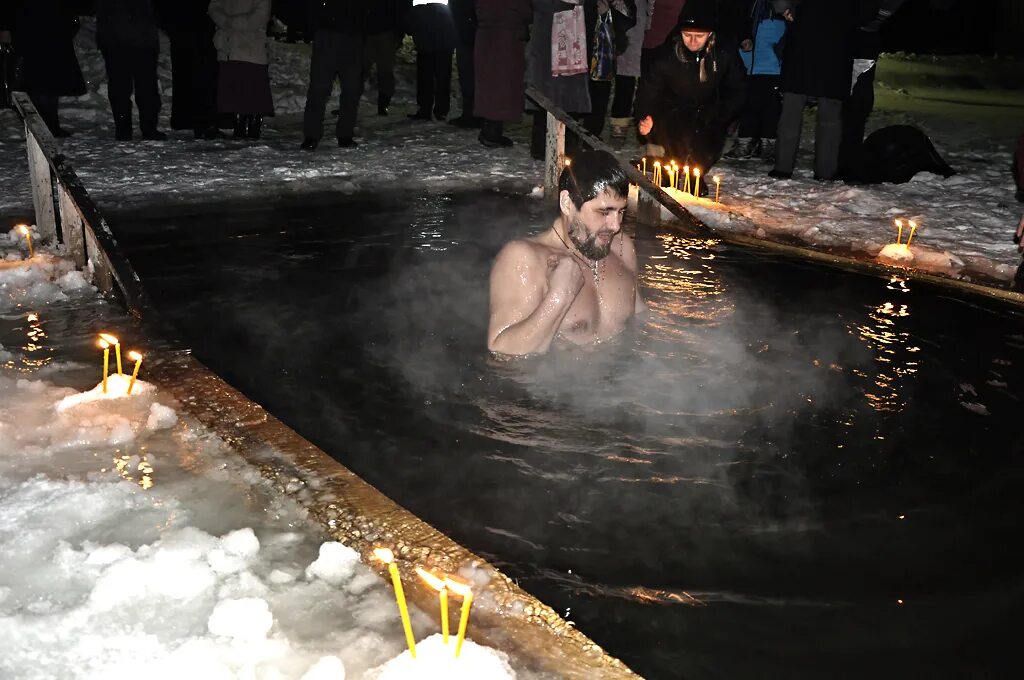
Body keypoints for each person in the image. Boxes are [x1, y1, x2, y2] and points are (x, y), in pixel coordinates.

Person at [487, 150, 644, 356]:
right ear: (567, 203)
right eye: (604, 212)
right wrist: (559, 296)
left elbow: (641, 318)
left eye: (620, 212)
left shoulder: (622, 248)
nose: (615, 225)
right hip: (554, 386)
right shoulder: (525, 258)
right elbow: (501, 350)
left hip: (624, 382)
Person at [634, 0, 747, 181]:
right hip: (674, 111)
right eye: (687, 35)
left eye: (699, 36)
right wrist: (644, 117)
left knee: (706, 142)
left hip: (710, 111)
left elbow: (738, 89)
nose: (693, 41)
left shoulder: (724, 53)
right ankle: (669, 166)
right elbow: (648, 92)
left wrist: (721, 114)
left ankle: (694, 175)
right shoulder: (665, 56)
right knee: (674, 133)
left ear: (710, 34)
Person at [770, 0, 859, 181]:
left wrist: (783, 8)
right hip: (832, 39)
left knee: (795, 109)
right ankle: (824, 170)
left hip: (812, 36)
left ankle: (784, 167)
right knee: (824, 111)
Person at [837, 0, 907, 178]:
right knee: (841, 97)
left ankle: (847, 158)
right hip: (843, 34)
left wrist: (878, 17)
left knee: (857, 97)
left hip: (862, 35)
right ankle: (839, 157)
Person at [0, 0, 86, 137]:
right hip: (30, 29)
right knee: (36, 81)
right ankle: (43, 124)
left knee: (48, 80)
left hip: (49, 28)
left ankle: (49, 124)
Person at [300, 0, 370, 150]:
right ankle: (311, 135)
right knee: (319, 89)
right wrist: (316, 27)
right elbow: (310, 7)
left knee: (351, 91)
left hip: (353, 38)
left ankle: (345, 134)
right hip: (327, 36)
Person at [725, 0, 790, 162]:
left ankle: (768, 144)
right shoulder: (751, 5)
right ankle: (746, 142)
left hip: (774, 63)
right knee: (748, 103)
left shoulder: (782, 8)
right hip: (750, 61)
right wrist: (744, 37)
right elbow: (738, 18)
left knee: (771, 106)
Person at [95, 0, 165, 141]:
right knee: (138, 88)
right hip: (131, 42)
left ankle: (129, 129)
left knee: (127, 88)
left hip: (125, 42)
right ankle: (141, 129)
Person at [154, 0, 223, 138]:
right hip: (196, 30)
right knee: (201, 76)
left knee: (185, 76)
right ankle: (202, 121)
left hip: (183, 30)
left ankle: (185, 119)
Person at [210, 0, 274, 140]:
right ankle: (240, 121)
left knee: (253, 85)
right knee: (235, 85)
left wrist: (232, 22)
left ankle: (253, 122)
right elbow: (214, 7)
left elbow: (260, 15)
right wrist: (225, 21)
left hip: (251, 43)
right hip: (229, 43)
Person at [474, 0, 532, 148]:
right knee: (502, 87)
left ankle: (490, 129)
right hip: (507, 39)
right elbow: (524, 10)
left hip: (487, 37)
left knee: (490, 85)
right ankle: (492, 133)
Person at [406, 0, 458, 122]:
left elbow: (408, 27)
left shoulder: (418, 11)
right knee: (443, 80)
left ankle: (425, 110)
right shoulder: (447, 11)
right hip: (444, 49)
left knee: (425, 81)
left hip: (426, 48)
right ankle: (441, 111)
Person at [362, 0, 404, 117]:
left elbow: (401, 8)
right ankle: (350, 104)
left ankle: (382, 106)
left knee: (384, 71)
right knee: (361, 70)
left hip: (382, 30)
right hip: (373, 31)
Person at [448, 0, 479, 127]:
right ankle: (473, 113)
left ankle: (472, 114)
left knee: (469, 77)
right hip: (470, 36)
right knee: (469, 77)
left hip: (467, 37)